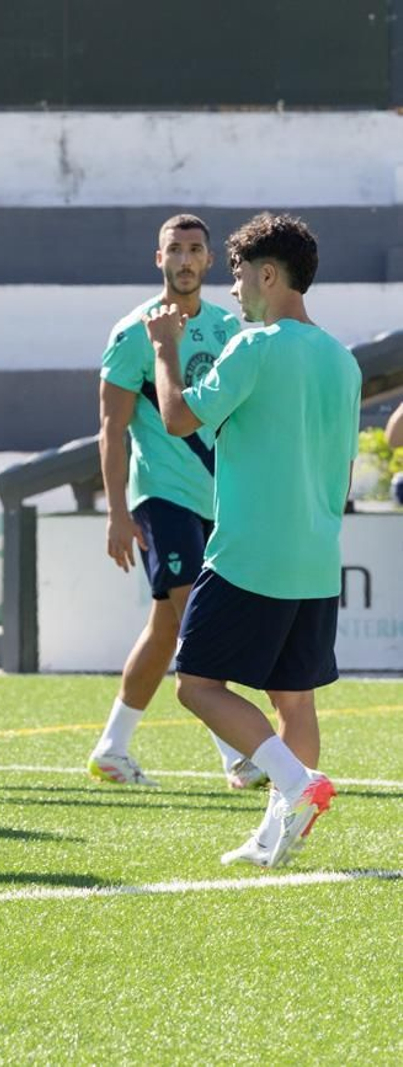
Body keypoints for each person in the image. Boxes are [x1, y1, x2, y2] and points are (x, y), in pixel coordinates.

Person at [152, 213, 358, 868]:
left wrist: (164, 350)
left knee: (194, 684)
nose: (233, 290)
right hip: (317, 555)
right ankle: (277, 837)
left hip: (249, 552)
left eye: (238, 276)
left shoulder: (255, 345)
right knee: (293, 697)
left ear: (268, 274)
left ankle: (297, 785)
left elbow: (178, 416)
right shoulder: (342, 359)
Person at [90, 215, 257, 790]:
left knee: (167, 628)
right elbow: (110, 429)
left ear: (210, 261)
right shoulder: (133, 330)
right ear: (156, 258)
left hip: (217, 497)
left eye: (194, 250)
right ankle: (237, 755)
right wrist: (115, 512)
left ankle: (112, 747)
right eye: (174, 250)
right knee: (196, 619)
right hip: (161, 495)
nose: (184, 260)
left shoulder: (227, 326)